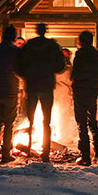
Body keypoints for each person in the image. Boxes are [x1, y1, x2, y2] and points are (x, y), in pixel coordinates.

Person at [15, 23, 65, 162]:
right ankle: (45, 152)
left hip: (31, 85)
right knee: (46, 120)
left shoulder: (29, 46)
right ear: (45, 31)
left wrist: (26, 75)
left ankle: (30, 148)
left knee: (30, 119)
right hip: (47, 85)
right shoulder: (52, 46)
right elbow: (60, 66)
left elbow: (17, 65)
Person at [71, 31, 98, 166]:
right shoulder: (97, 56)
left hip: (80, 92)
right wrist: (95, 88)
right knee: (93, 122)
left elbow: (75, 73)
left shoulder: (81, 54)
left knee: (82, 124)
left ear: (82, 41)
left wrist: (75, 84)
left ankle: (85, 156)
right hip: (92, 92)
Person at [0, 26, 20, 163]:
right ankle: (6, 153)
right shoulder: (16, 52)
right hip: (10, 91)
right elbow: (20, 70)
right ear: (13, 37)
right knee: (9, 123)